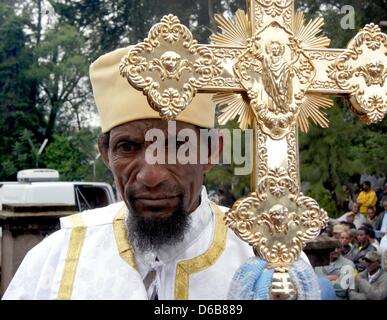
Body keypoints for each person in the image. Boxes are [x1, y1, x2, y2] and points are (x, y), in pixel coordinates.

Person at [2, 46, 317, 300]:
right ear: (105, 153)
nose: (151, 176)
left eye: (176, 146)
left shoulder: (269, 261)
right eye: (128, 147)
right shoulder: (55, 260)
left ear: (211, 151)